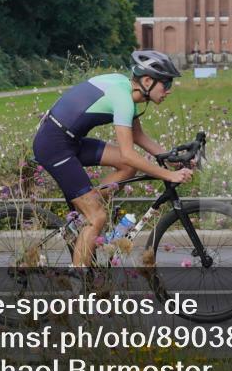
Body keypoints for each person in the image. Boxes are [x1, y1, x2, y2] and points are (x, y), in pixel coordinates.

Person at [32, 50, 193, 267]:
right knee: (97, 217)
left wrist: (170, 158)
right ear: (147, 81)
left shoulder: (126, 90)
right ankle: (78, 280)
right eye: (166, 84)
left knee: (126, 168)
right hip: (54, 145)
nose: (169, 90)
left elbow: (138, 136)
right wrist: (169, 175)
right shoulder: (123, 99)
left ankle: (84, 214)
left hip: (70, 140)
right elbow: (129, 153)